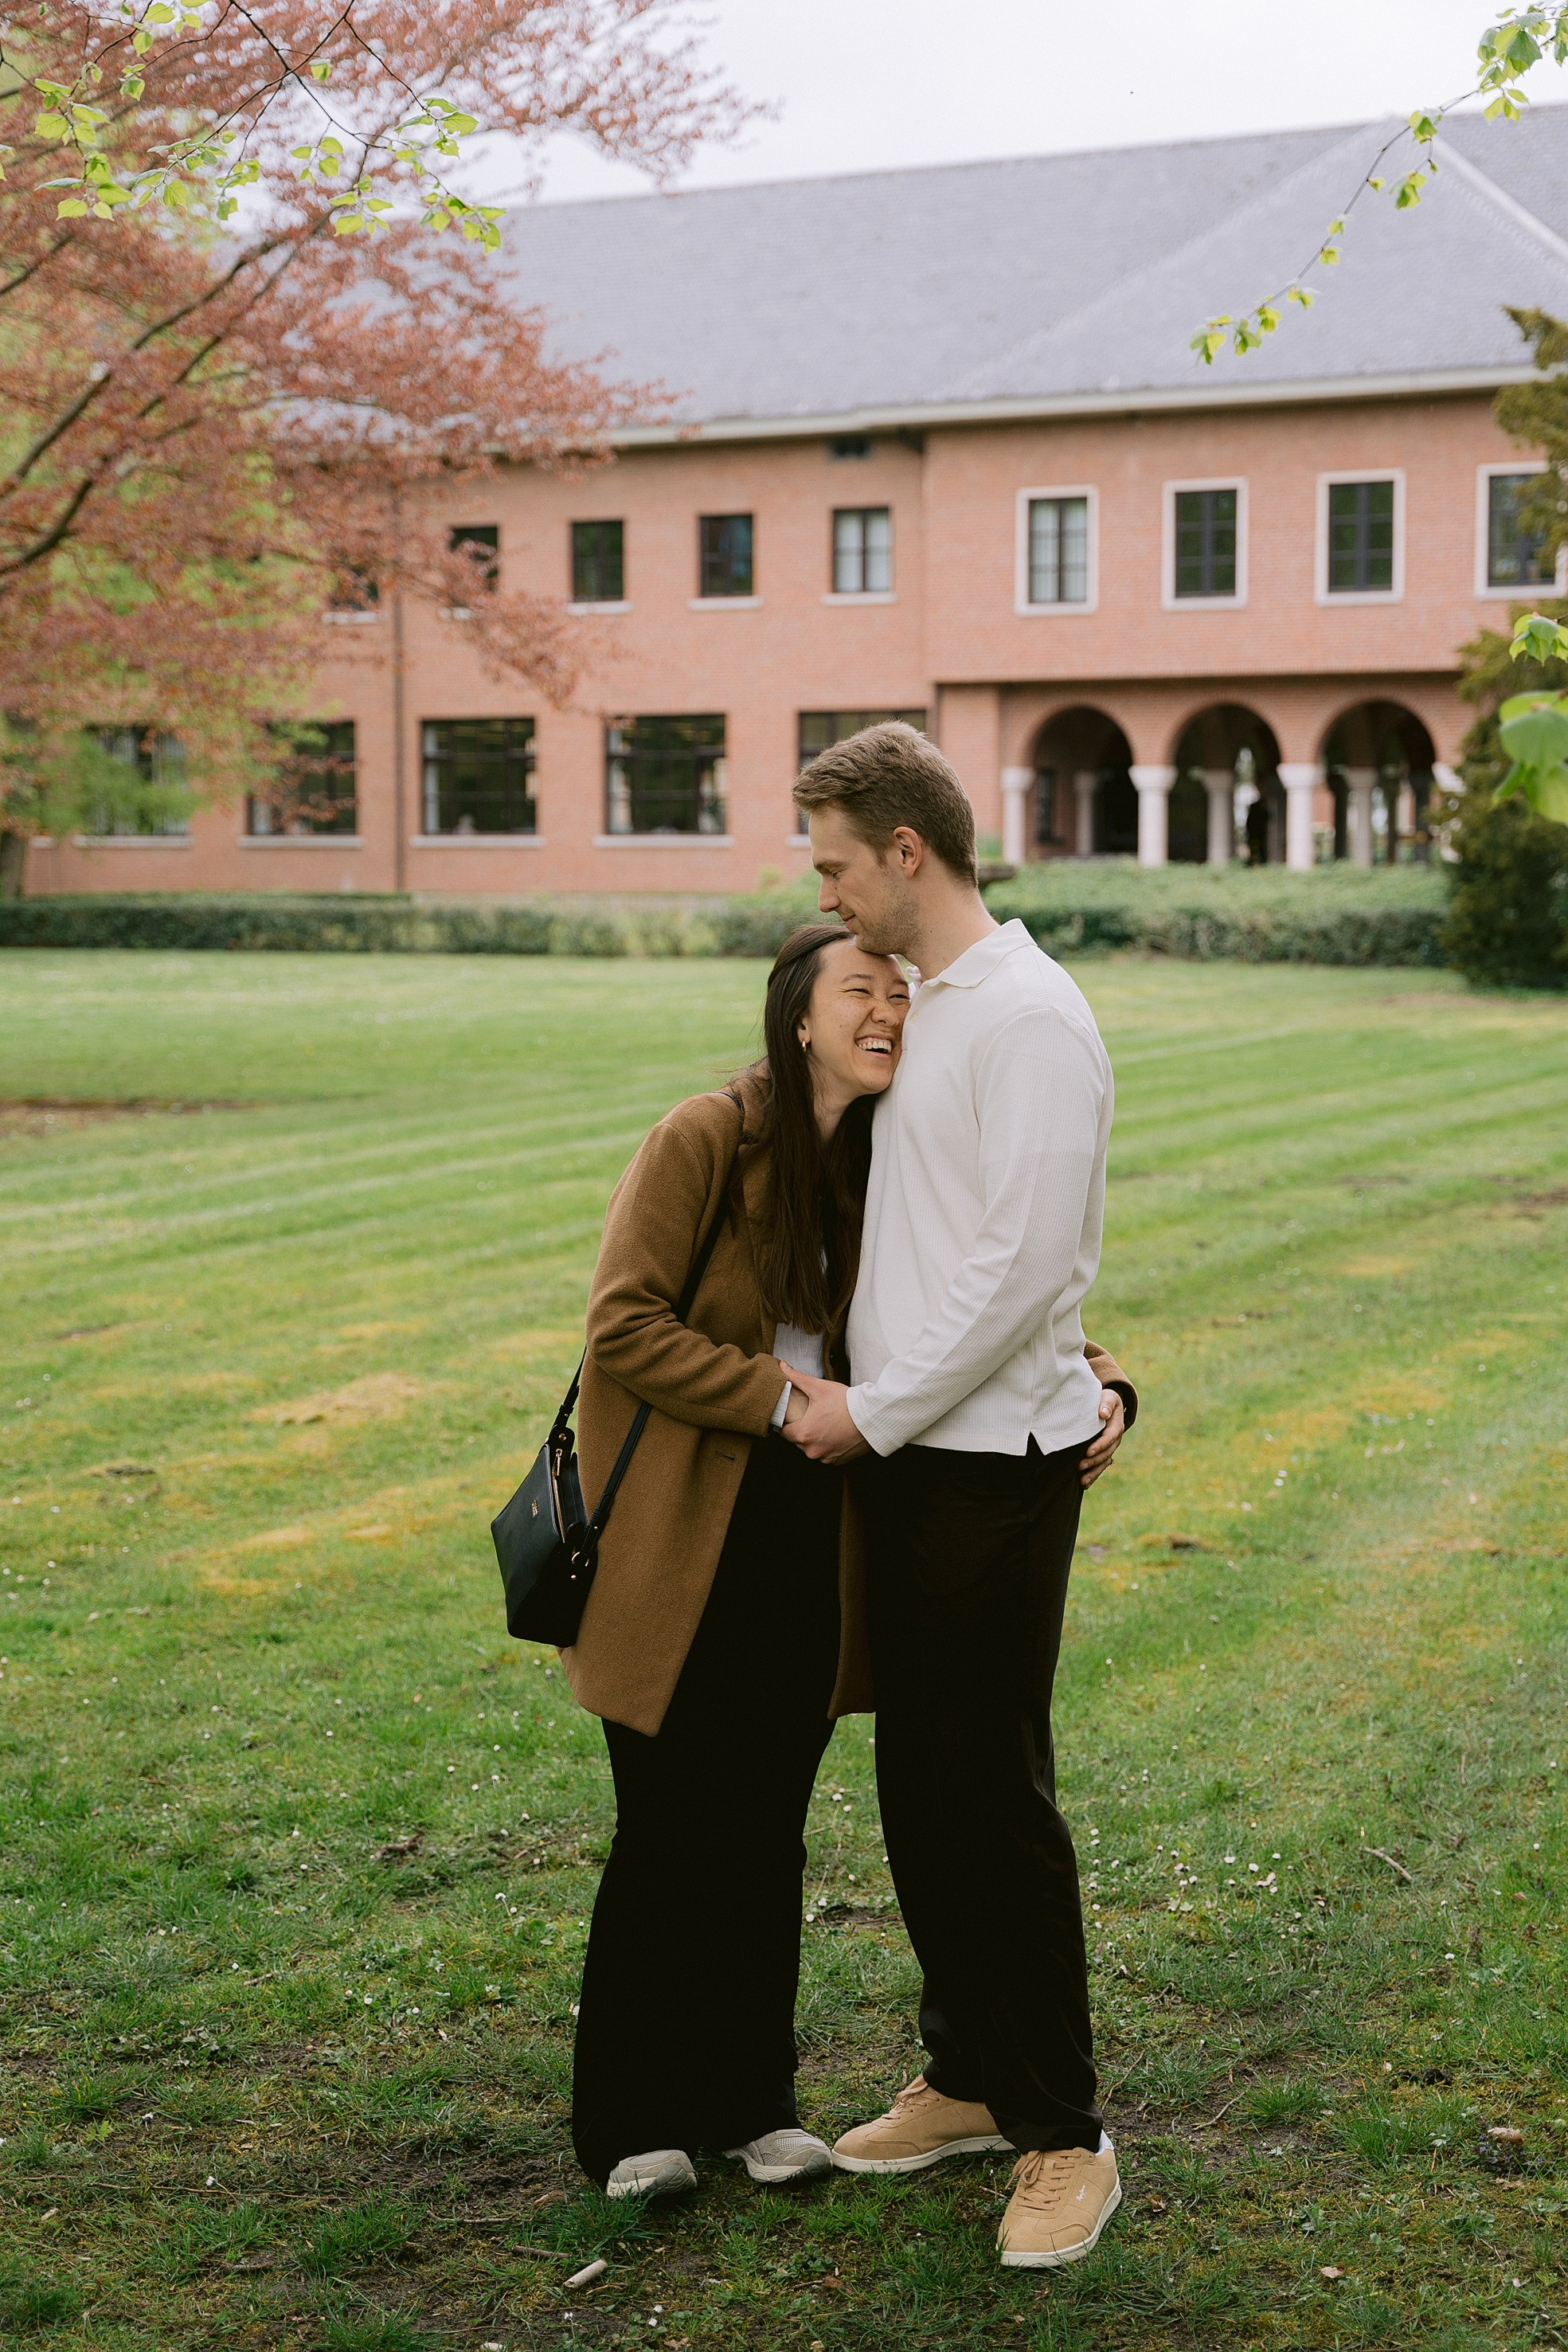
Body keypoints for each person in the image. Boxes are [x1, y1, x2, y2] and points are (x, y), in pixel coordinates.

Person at [565, 920, 1132, 2205]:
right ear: (799, 1016)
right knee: (666, 1823)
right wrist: (778, 1397)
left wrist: (1102, 1377)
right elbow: (620, 1325)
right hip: (684, 1527)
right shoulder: (705, 1136)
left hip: (816, 1540)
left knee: (764, 1823)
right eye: (858, 993)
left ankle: (749, 2099)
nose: (886, 1013)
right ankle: (634, 2117)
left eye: (898, 994)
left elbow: (1002, 1284)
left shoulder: (885, 1155)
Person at [782, 722, 1135, 2272]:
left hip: (991, 1470)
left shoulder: (1032, 1017)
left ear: (905, 852)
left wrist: (877, 1410)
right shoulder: (925, 1004)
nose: (828, 894)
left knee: (992, 1797)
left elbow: (1023, 1268)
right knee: (922, 1787)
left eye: (838, 864)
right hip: (918, 1460)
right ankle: (971, 2073)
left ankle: (1065, 2134)